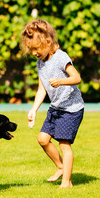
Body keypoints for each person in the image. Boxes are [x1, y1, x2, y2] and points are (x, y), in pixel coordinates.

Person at [20, 19, 84, 188]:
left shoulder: (61, 57)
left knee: (64, 145)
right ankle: (61, 167)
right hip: (56, 107)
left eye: (36, 48)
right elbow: (42, 89)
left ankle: (67, 182)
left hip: (71, 109)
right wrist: (33, 109)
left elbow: (77, 78)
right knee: (42, 139)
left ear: (48, 42)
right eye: (31, 49)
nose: (33, 52)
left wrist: (61, 82)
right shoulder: (40, 63)